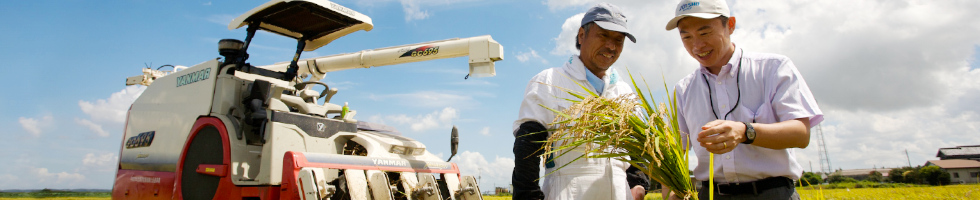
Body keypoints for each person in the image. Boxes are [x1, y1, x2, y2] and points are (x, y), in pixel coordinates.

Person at [662, 0, 823, 199]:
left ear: (730, 25)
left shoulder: (773, 68)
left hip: (773, 194)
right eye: (686, 36)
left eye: (705, 33)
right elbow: (672, 152)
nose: (697, 45)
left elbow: (800, 134)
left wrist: (745, 131)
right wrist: (671, 193)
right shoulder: (684, 89)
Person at [512, 2, 649, 200]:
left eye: (618, 40)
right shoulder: (550, 82)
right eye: (603, 35)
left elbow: (639, 147)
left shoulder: (624, 92)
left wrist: (638, 183)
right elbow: (527, 148)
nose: (611, 46)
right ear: (581, 35)